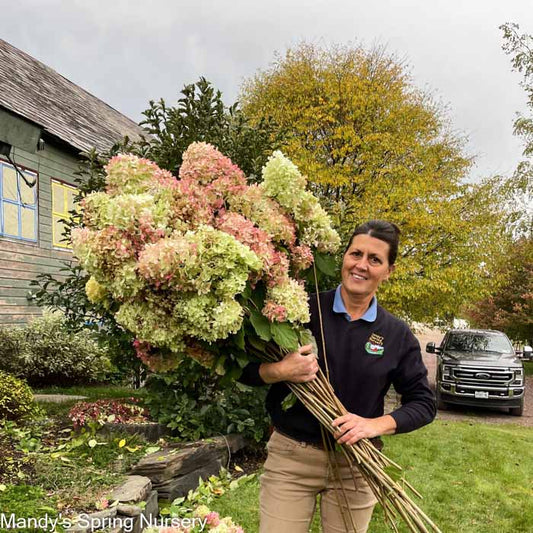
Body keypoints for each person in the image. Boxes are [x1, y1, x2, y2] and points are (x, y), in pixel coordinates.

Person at [240, 220, 436, 533]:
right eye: (355, 254)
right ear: (343, 257)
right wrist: (279, 371)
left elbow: (424, 404)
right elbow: (244, 370)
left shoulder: (396, 334)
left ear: (388, 271)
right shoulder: (301, 310)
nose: (361, 265)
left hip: (356, 466)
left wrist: (373, 425)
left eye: (375, 259)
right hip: (292, 458)